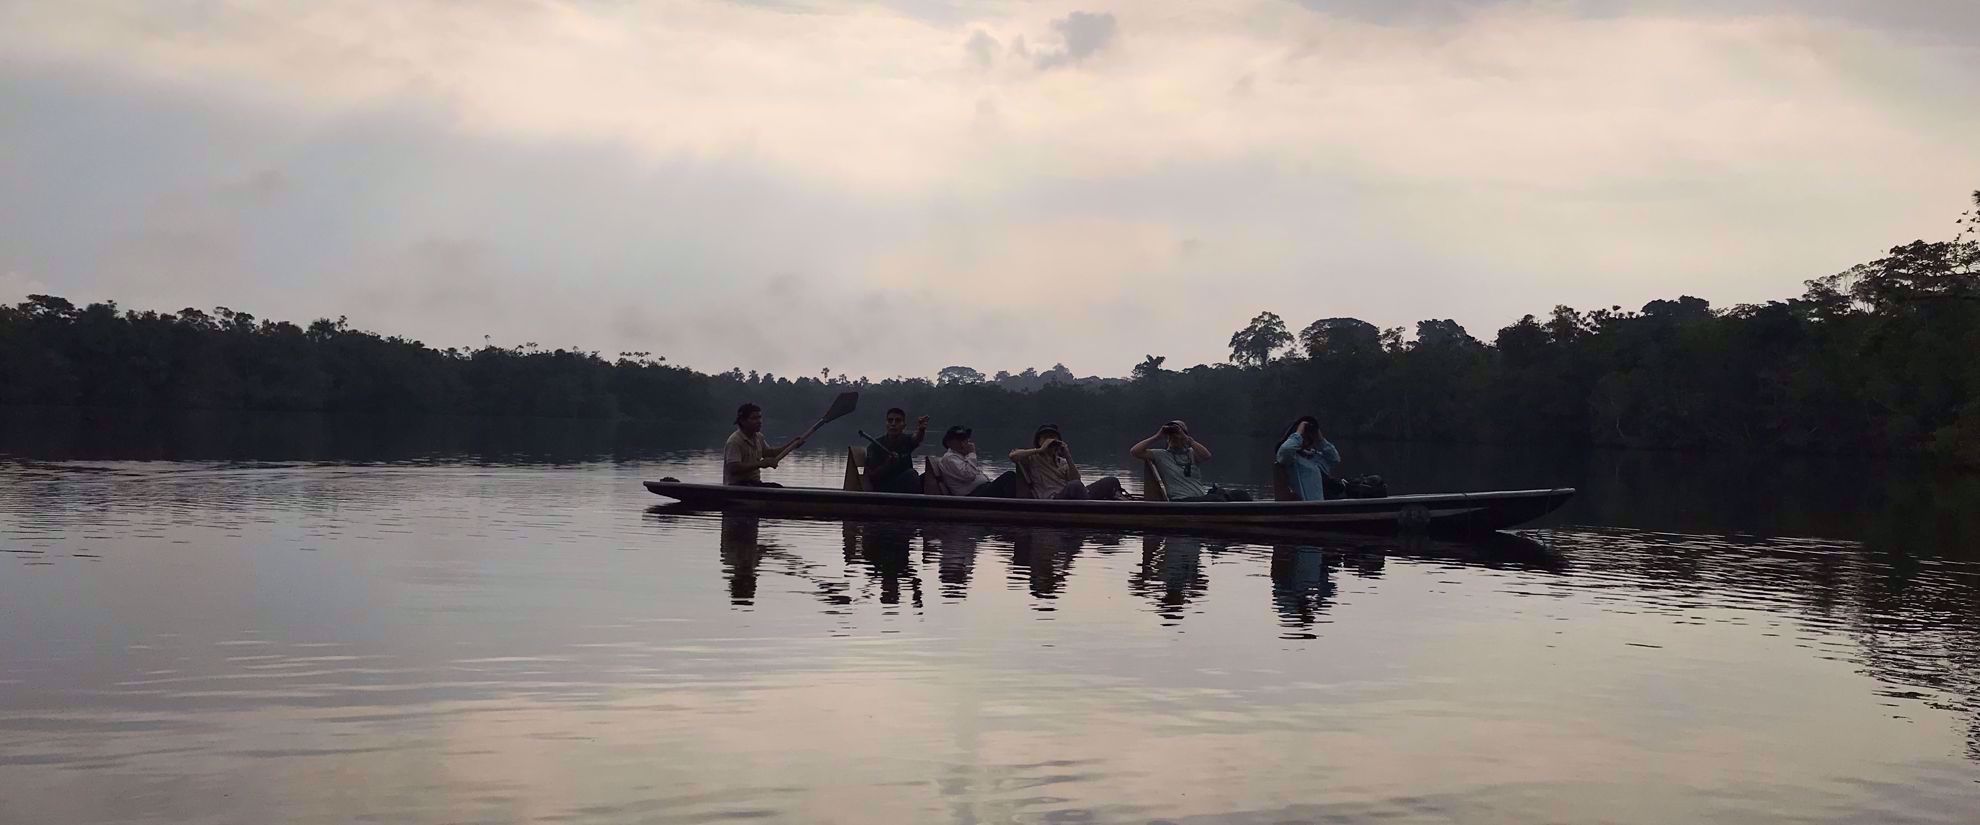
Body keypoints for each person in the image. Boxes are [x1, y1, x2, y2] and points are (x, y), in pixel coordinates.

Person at [1129, 419, 1253, 502]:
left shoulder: (1192, 453)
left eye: (1178, 432)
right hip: (1182, 500)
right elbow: (1135, 451)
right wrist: (1158, 436)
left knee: (1241, 494)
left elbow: (1207, 456)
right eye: (1172, 435)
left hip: (1201, 498)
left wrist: (1187, 439)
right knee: (1217, 499)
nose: (1175, 437)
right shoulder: (1160, 455)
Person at [1008, 424, 1126, 500]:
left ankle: (1115, 502)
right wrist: (1040, 449)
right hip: (1053, 499)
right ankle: (1092, 507)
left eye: (1053, 438)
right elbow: (1013, 456)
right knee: (1075, 486)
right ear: (1039, 441)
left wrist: (1068, 456)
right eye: (1046, 437)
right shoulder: (1032, 458)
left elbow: (1076, 479)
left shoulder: (1062, 462)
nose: (1051, 441)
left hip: (1073, 495)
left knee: (1111, 481)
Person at [723, 402, 806, 486]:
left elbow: (770, 453)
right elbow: (733, 468)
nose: (759, 421)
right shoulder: (734, 441)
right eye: (754, 418)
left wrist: (792, 445)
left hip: (754, 484)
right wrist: (761, 464)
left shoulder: (758, 437)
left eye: (759, 417)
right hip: (738, 486)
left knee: (776, 487)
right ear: (742, 421)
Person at [934, 426, 1021, 497]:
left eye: (965, 439)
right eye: (959, 440)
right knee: (1009, 476)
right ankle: (1013, 507)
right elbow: (969, 475)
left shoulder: (960, 456)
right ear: (949, 443)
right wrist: (972, 453)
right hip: (971, 495)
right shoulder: (949, 458)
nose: (964, 443)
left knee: (1009, 480)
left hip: (981, 490)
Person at [1275, 415, 1341, 501]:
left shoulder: (1314, 457)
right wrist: (1299, 432)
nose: (1306, 437)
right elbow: (1286, 450)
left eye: (1308, 434)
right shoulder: (1291, 459)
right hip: (1305, 508)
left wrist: (1320, 438)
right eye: (1304, 434)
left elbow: (1335, 459)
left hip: (1320, 507)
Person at [863, 408, 928, 494]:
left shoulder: (906, 440)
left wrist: (921, 429)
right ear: (886, 424)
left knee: (927, 476)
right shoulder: (875, 446)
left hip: (905, 484)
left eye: (897, 421)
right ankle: (915, 505)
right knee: (911, 475)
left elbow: (916, 439)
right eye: (890, 420)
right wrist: (888, 464)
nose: (893, 424)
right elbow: (871, 477)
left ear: (904, 425)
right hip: (884, 489)